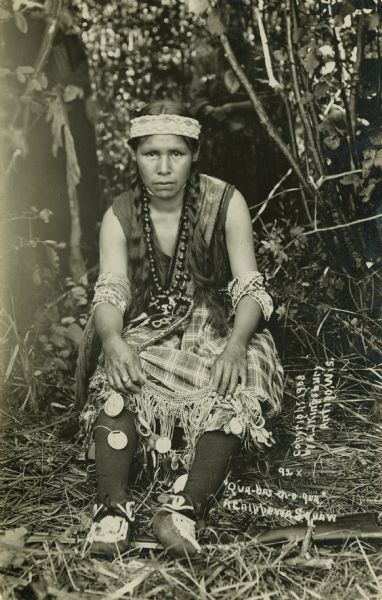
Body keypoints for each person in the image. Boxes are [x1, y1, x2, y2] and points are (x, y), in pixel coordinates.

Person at [75, 100, 284, 559]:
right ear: (134, 155)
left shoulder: (225, 202)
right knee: (119, 381)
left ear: (194, 154)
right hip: (149, 326)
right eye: (151, 154)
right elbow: (110, 294)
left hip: (217, 325)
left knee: (241, 378)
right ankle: (111, 512)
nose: (164, 167)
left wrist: (234, 346)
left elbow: (250, 288)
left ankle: (182, 511)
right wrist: (112, 341)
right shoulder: (120, 215)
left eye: (177, 154)